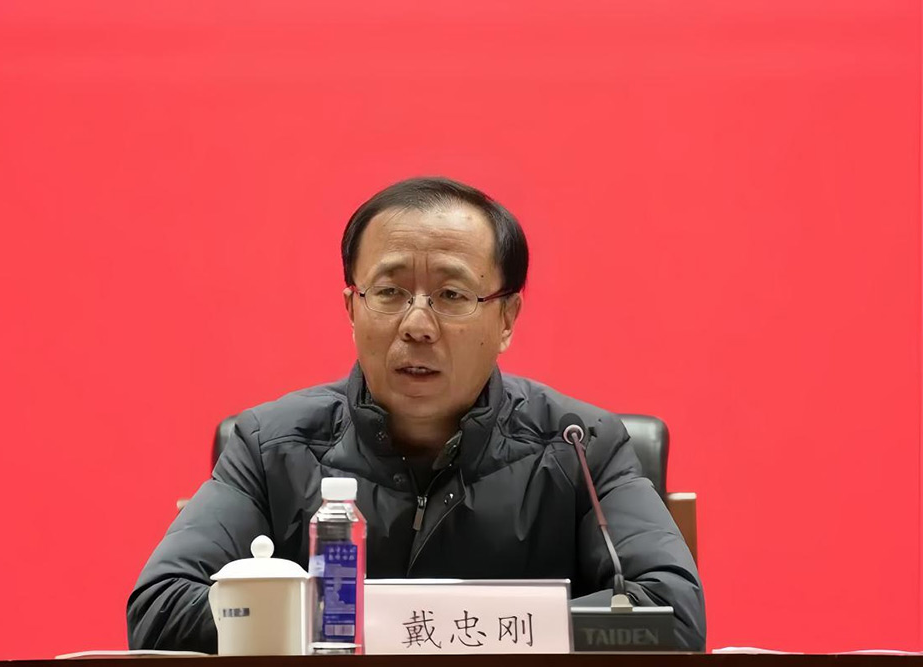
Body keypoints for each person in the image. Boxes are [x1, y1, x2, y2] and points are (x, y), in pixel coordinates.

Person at [126, 176, 705, 652]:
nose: (418, 325)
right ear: (351, 308)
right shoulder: (270, 445)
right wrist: (357, 625)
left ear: (506, 318)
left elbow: (671, 616)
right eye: (389, 292)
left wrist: (410, 626)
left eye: (452, 295)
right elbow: (159, 608)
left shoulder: (582, 445)